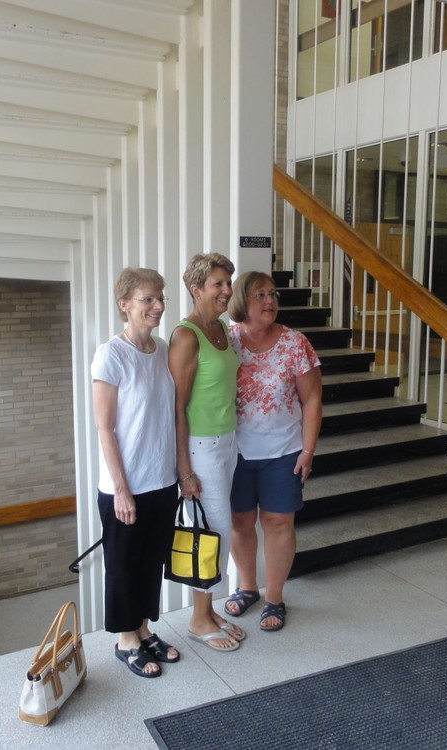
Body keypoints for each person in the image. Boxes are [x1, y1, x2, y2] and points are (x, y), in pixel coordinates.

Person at [91, 268, 180, 678]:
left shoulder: (162, 350)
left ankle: (143, 629)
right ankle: (126, 640)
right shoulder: (111, 355)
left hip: (161, 480)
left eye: (160, 298)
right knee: (123, 564)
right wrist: (121, 490)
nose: (158, 306)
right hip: (125, 486)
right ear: (125, 304)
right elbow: (105, 428)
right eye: (148, 299)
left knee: (150, 562)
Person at [224, 271, 322, 632]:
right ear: (241, 301)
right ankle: (247, 587)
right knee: (239, 522)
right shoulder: (225, 340)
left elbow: (312, 399)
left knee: (278, 522)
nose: (270, 301)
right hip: (233, 452)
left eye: (272, 294)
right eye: (260, 295)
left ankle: (275, 598)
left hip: (283, 450)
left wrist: (307, 450)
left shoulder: (295, 343)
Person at [168, 253, 246, 652]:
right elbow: (177, 407)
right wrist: (184, 470)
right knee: (213, 531)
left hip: (227, 441)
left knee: (220, 529)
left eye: (228, 282)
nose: (227, 290)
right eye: (218, 283)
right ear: (196, 288)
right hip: (200, 447)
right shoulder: (187, 336)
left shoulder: (221, 329)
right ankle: (198, 619)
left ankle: (209, 611)